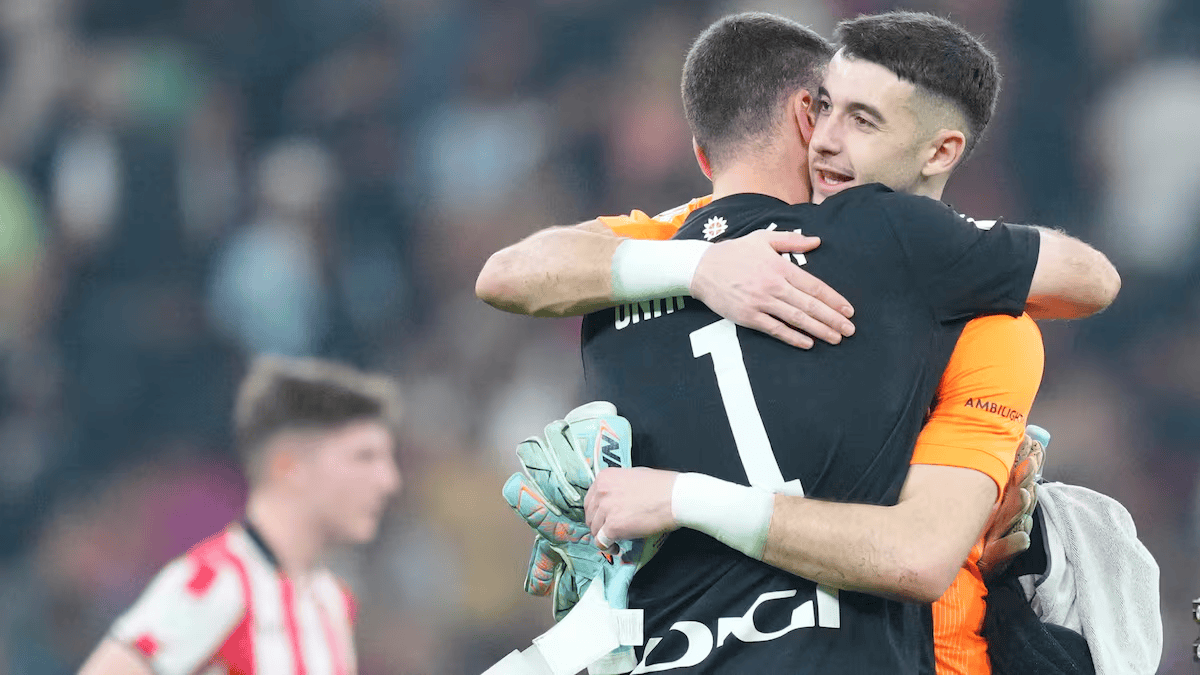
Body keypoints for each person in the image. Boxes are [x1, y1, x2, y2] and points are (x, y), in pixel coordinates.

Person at [477, 11, 1124, 675]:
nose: (827, 141)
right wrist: (700, 268)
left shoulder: (986, 322)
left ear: (938, 152)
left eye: (860, 120)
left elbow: (919, 555)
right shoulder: (691, 243)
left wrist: (675, 499)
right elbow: (508, 272)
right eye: (826, 110)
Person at [77, 356, 403, 675]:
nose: (388, 481)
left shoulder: (331, 600)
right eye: (364, 457)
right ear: (289, 466)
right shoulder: (216, 583)